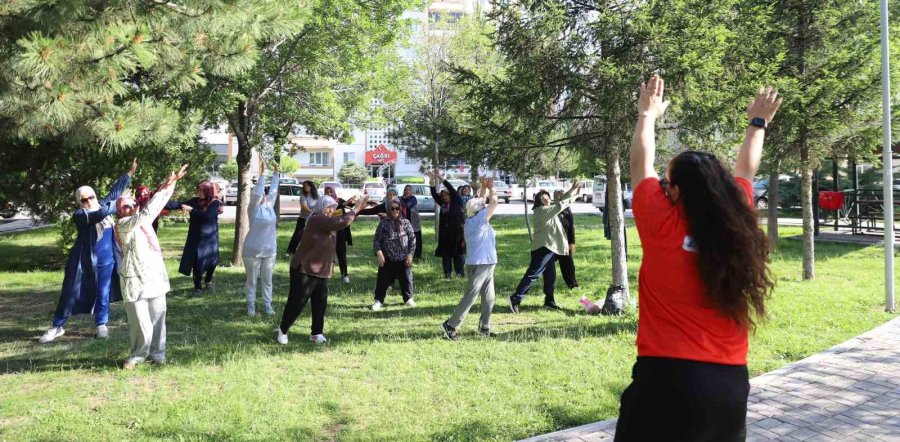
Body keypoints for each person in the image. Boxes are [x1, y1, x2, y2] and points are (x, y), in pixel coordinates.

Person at [614, 75, 780, 441]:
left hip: (664, 379)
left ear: (676, 192)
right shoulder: (735, 218)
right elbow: (746, 169)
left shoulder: (661, 221)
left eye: (667, 184)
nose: (662, 187)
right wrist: (758, 122)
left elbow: (641, 163)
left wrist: (647, 115)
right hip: (727, 387)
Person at [38, 160, 136, 344]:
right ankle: (57, 326)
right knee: (70, 293)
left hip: (107, 261)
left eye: (91, 197)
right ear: (79, 201)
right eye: (84, 199)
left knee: (103, 292)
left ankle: (101, 324)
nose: (89, 201)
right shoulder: (81, 215)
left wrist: (128, 175)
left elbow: (114, 192)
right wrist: (118, 202)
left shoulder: (102, 205)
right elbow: (102, 213)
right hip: (83, 262)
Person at [114, 164, 189, 369]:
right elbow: (148, 212)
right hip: (134, 277)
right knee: (140, 320)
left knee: (158, 315)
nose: (129, 209)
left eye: (132, 205)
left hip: (154, 274)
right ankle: (138, 355)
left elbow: (154, 206)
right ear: (120, 211)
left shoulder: (144, 223)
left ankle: (158, 353)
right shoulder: (122, 225)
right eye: (125, 206)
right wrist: (166, 186)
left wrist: (171, 183)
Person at [276, 194, 369, 345]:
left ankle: (316, 333)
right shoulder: (316, 219)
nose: (332, 211)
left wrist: (356, 206)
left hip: (322, 268)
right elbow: (343, 221)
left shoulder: (329, 219)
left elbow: (344, 216)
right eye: (329, 208)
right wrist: (356, 208)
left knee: (320, 302)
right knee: (297, 301)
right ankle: (283, 330)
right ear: (322, 207)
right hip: (304, 267)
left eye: (333, 208)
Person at [508, 180, 580, 313]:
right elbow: (560, 205)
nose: (547, 199)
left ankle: (549, 300)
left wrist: (571, 191)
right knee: (533, 274)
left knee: (550, 276)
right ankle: (515, 298)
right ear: (539, 201)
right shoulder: (541, 211)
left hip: (550, 248)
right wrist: (574, 196)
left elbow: (560, 201)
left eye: (548, 197)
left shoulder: (548, 209)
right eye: (544, 198)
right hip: (543, 248)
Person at [441, 177, 500, 341]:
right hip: (480, 265)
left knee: (489, 298)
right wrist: (492, 187)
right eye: (482, 206)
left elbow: (480, 202)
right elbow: (494, 201)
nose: (485, 204)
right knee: (471, 296)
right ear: (478, 211)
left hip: (487, 264)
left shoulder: (474, 218)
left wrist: (483, 187)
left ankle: (484, 327)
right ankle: (451, 325)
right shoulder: (479, 220)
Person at [172, 181, 222, 294]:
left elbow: (207, 217)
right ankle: (198, 287)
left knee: (212, 262)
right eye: (199, 190)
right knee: (198, 263)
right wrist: (162, 202)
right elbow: (178, 204)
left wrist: (191, 210)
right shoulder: (195, 201)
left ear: (208, 191)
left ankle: (208, 281)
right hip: (196, 238)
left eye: (202, 190)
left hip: (210, 238)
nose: (200, 193)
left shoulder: (215, 203)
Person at [243, 167, 281, 316]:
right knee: (251, 281)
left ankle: (267, 305)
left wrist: (277, 174)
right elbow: (258, 192)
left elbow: (273, 191)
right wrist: (263, 174)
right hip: (252, 250)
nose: (264, 195)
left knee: (268, 280)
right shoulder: (252, 209)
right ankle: (251, 306)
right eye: (260, 194)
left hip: (270, 250)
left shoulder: (269, 207)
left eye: (265, 194)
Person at [370, 200, 417, 311]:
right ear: (388, 210)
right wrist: (379, 253)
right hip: (388, 257)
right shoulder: (383, 223)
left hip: (403, 257)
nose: (395, 211)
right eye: (393, 208)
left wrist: (410, 254)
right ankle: (378, 300)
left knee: (407, 279)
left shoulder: (405, 222)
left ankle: (408, 299)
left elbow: (412, 239)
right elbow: (376, 240)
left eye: (397, 208)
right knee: (382, 281)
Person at [428, 169, 465, 278]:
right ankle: (447, 274)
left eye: (446, 195)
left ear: (450, 195)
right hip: (445, 234)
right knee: (446, 255)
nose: (444, 197)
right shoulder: (443, 204)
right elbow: (434, 194)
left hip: (457, 234)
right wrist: (431, 180)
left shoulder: (457, 201)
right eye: (443, 196)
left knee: (458, 255)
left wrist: (440, 177)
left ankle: (460, 273)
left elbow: (450, 188)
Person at [323, 185, 354, 283]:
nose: (329, 194)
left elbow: (349, 205)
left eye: (331, 191)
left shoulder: (339, 201)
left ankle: (344, 274)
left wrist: (351, 201)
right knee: (327, 253)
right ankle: (326, 273)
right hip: (328, 230)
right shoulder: (324, 202)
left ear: (334, 192)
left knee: (341, 253)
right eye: (327, 192)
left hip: (340, 231)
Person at [554, 190, 579, 289]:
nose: (559, 198)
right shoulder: (550, 209)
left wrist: (571, 242)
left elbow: (571, 227)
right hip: (552, 242)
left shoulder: (567, 210)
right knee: (546, 265)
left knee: (568, 265)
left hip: (564, 242)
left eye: (561, 196)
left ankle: (572, 284)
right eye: (557, 196)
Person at [286, 180, 319, 255]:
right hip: (303, 219)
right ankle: (290, 251)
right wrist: (313, 212)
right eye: (304, 186)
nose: (306, 187)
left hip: (314, 219)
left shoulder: (317, 196)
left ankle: (312, 251)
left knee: (314, 235)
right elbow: (304, 207)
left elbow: (320, 204)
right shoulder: (303, 196)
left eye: (307, 185)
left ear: (311, 186)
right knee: (298, 235)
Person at [400, 185, 423, 260]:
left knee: (416, 238)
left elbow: (408, 205)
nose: (407, 191)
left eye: (409, 190)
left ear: (411, 191)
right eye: (406, 189)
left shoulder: (413, 198)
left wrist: (402, 204)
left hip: (414, 222)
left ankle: (417, 255)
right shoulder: (400, 199)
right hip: (404, 222)